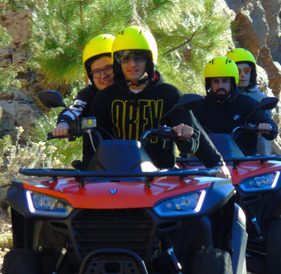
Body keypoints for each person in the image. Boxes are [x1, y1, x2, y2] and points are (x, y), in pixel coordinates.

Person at [90, 25, 229, 177]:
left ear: (150, 60)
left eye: (139, 57)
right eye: (125, 58)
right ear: (117, 62)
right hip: (115, 180)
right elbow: (92, 146)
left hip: (161, 181)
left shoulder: (169, 94)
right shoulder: (104, 98)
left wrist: (216, 163)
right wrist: (86, 176)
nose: (132, 64)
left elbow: (194, 140)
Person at [192, 56, 278, 156]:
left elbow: (272, 127)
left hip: (243, 165)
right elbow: (182, 127)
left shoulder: (248, 104)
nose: (220, 86)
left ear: (232, 83)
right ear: (209, 84)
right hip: (204, 165)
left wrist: (267, 128)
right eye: (216, 81)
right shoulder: (199, 106)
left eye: (225, 81)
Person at [52, 34, 115, 169]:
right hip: (95, 169)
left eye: (108, 68)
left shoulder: (134, 92)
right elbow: (75, 109)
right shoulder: (88, 94)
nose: (103, 75)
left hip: (137, 167)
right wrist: (64, 122)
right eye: (97, 71)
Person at [225, 48, 273, 155]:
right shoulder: (221, 97)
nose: (243, 75)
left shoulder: (260, 100)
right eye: (238, 71)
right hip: (223, 154)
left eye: (246, 71)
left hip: (249, 159)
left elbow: (263, 140)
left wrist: (263, 161)